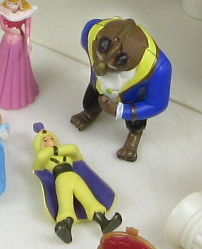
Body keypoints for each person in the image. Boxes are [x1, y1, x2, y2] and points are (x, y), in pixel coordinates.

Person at [70, 16, 172, 162]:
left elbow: (157, 103)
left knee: (135, 123)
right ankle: (90, 112)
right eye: (99, 56)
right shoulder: (90, 32)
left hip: (132, 97)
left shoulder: (158, 68)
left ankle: (134, 136)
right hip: (98, 86)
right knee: (89, 103)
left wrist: (121, 111)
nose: (101, 68)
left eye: (112, 66)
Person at [31, 123, 125, 244]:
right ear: (40, 145)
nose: (49, 141)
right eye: (45, 140)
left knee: (88, 198)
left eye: (51, 138)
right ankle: (66, 227)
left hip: (74, 177)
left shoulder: (66, 154)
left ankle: (103, 221)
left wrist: (56, 150)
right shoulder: (45, 159)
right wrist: (51, 151)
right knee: (65, 204)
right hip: (61, 179)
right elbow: (39, 160)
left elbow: (74, 149)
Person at [0, 0, 38, 110]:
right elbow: (2, 25)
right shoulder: (3, 11)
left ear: (20, 2)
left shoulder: (26, 13)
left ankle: (19, 93)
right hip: (7, 41)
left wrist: (28, 42)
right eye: (9, 3)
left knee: (18, 67)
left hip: (19, 42)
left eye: (15, 4)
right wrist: (9, 30)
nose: (12, 7)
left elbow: (28, 29)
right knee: (2, 64)